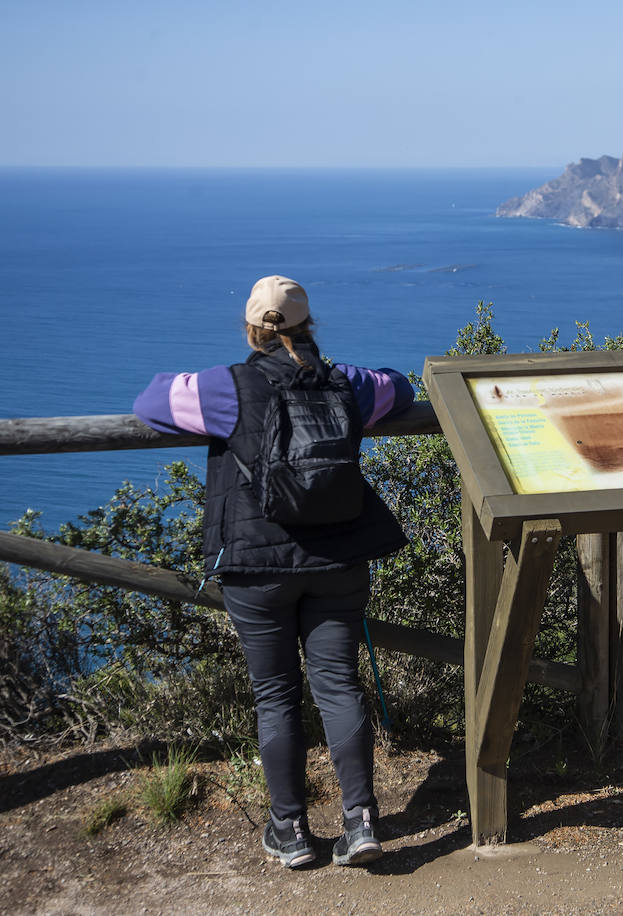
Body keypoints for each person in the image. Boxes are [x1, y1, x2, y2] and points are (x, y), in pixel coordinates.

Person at [133, 275, 414, 869]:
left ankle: (289, 831)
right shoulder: (346, 383)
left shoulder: (227, 388)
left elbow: (151, 405)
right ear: (309, 325)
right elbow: (400, 387)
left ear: (251, 327)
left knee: (275, 693)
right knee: (337, 682)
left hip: (257, 565)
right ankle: (360, 823)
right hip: (338, 559)